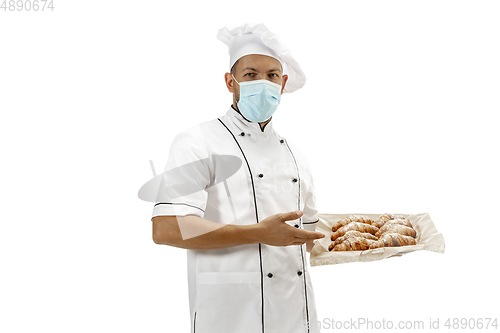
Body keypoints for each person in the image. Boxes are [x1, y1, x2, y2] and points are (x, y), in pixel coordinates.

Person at [151, 23, 325, 333]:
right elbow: (167, 228)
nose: (263, 82)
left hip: (297, 319)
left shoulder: (297, 155)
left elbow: (312, 241)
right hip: (229, 317)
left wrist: (372, 245)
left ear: (283, 83)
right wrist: (258, 233)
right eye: (250, 74)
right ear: (230, 82)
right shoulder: (198, 142)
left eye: (272, 75)